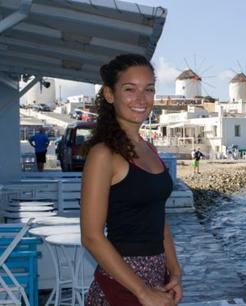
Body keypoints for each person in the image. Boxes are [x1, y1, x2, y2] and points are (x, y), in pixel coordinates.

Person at [80, 54, 182, 306]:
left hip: (158, 278)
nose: (141, 99)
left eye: (148, 90)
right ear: (109, 94)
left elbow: (158, 217)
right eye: (129, 89)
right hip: (122, 282)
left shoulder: (149, 149)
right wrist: (142, 291)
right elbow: (91, 236)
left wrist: (175, 270)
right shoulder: (103, 155)